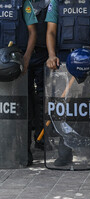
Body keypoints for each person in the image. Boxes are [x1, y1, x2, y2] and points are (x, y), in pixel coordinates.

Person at [45, 0, 90, 167]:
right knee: (64, 109)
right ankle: (65, 154)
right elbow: (51, 31)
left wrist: (89, 59)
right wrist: (51, 55)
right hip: (64, 62)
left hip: (87, 60)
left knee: (89, 107)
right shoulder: (56, 2)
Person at [0, 0, 38, 166]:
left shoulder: (23, 3)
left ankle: (23, 150)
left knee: (22, 109)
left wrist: (27, 59)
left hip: (17, 65)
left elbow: (32, 32)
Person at [29, 0, 50, 152]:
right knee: (24, 97)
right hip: (20, 53)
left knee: (43, 97)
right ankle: (23, 140)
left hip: (44, 54)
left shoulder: (50, 3)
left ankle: (41, 137)